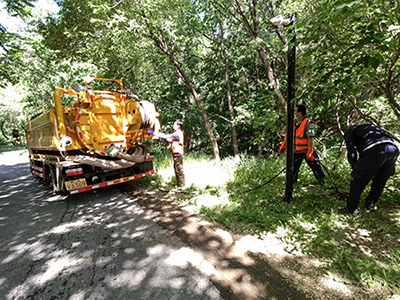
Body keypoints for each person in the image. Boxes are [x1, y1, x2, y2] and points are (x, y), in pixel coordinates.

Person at [339, 124, 399, 215]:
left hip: (376, 149)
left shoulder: (349, 132)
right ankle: (371, 202)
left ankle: (352, 208)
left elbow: (352, 153)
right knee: (380, 179)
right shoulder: (369, 128)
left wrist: (355, 171)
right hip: (393, 149)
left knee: (357, 180)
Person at [279, 104, 326, 186]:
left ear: (299, 113)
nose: (293, 113)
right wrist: (284, 145)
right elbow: (287, 134)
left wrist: (310, 151)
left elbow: (310, 138)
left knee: (316, 168)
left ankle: (325, 184)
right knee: (293, 170)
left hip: (307, 151)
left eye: (295, 111)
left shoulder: (308, 123)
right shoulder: (292, 123)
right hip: (296, 151)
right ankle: (291, 186)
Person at [150, 119, 185, 187]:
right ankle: (179, 183)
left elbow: (167, 136)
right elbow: (170, 139)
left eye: (175, 124)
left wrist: (155, 134)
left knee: (179, 169)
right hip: (177, 154)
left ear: (178, 126)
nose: (173, 126)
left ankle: (182, 185)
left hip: (178, 154)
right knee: (177, 169)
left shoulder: (177, 133)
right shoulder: (178, 133)